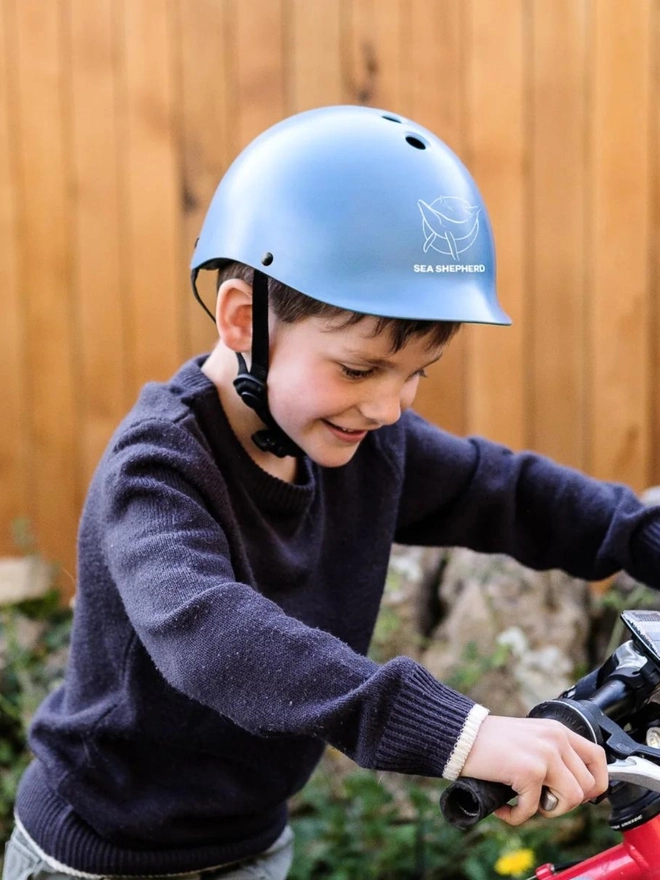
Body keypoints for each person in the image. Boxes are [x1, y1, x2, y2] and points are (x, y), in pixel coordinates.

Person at [5, 105, 659, 880]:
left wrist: (641, 534)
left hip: (250, 846)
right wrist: (462, 732)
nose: (387, 407)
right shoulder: (157, 470)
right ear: (243, 320)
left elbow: (510, 492)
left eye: (416, 374)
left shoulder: (362, 442)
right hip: (101, 858)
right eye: (358, 369)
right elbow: (215, 638)